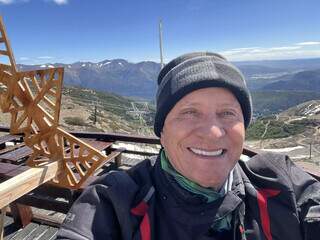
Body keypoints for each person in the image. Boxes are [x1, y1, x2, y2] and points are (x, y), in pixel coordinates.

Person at [56, 52, 320, 240]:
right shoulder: (114, 201)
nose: (213, 133)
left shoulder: (280, 181)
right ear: (162, 130)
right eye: (190, 112)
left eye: (228, 113)